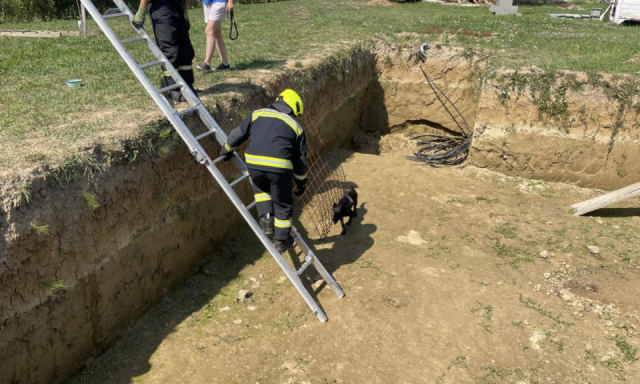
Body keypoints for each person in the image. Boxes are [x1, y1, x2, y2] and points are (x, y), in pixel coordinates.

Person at [220, 89, 307, 252]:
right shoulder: (296, 127)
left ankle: (266, 220)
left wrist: (226, 150)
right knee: (282, 204)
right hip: (279, 169)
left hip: (254, 164)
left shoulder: (256, 114)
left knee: (260, 189)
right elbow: (300, 161)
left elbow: (237, 135)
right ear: (293, 108)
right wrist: (301, 182)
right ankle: (281, 241)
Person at [132, 0, 196, 102]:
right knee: (170, 50)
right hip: (161, 8)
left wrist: (185, 11)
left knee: (185, 49)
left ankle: (188, 85)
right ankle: (174, 88)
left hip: (177, 8)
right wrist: (141, 10)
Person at [196, 0, 233, 71]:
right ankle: (225, 64)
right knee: (216, 34)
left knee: (209, 31)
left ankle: (206, 62)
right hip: (207, 2)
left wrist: (230, 1)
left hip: (219, 2)